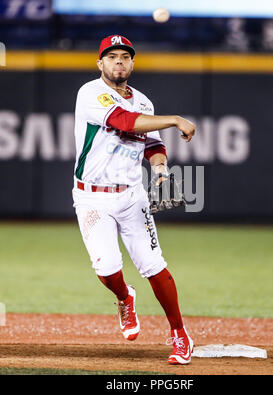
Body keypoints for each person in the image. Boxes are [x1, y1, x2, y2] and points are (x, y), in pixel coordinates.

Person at [72, 35, 195, 365]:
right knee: (107, 269)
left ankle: (180, 334)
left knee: (154, 266)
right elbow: (123, 122)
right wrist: (175, 119)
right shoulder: (90, 93)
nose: (119, 62)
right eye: (111, 57)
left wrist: (160, 168)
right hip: (92, 198)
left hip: (130, 197)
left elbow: (152, 146)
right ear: (100, 63)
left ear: (132, 63)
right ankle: (125, 296)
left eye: (125, 56)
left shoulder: (143, 101)